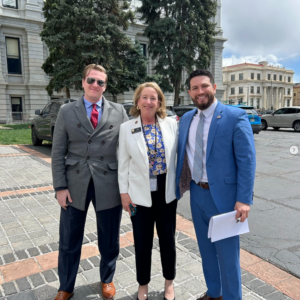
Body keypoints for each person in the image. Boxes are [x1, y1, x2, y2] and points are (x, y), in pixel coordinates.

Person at [176, 69, 256, 300]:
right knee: (206, 250)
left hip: (225, 199)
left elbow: (247, 161)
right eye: (195, 88)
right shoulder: (187, 119)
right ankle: (214, 293)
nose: (200, 91)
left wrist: (244, 199)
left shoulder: (234, 116)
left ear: (214, 87)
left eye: (204, 86)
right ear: (189, 92)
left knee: (228, 256)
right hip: (196, 194)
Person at [51, 64, 128, 300]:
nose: (96, 85)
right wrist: (60, 187)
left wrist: (128, 187)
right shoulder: (66, 110)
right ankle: (66, 286)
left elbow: (126, 152)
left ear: (106, 86)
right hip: (75, 183)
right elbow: (57, 151)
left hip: (109, 183)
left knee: (109, 237)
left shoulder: (119, 111)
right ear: (83, 82)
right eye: (91, 80)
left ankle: (107, 279)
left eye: (101, 82)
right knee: (70, 237)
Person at [118, 82, 178, 300]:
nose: (149, 102)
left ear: (159, 102)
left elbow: (179, 156)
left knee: (168, 241)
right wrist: (124, 193)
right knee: (142, 242)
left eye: (154, 98)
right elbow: (123, 163)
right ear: (137, 101)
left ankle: (169, 282)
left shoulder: (171, 124)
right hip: (138, 195)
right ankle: (143, 284)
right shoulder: (127, 128)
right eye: (145, 97)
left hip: (166, 193)